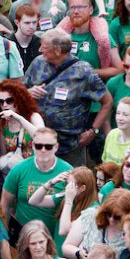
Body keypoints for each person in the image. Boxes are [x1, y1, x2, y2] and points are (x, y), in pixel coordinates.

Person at [23, 29, 113, 166]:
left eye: (44, 47)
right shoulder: (38, 63)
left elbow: (107, 102)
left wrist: (93, 131)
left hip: (69, 147)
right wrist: (28, 92)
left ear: (58, 50)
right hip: (38, 142)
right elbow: (20, 90)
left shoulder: (83, 72)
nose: (40, 50)